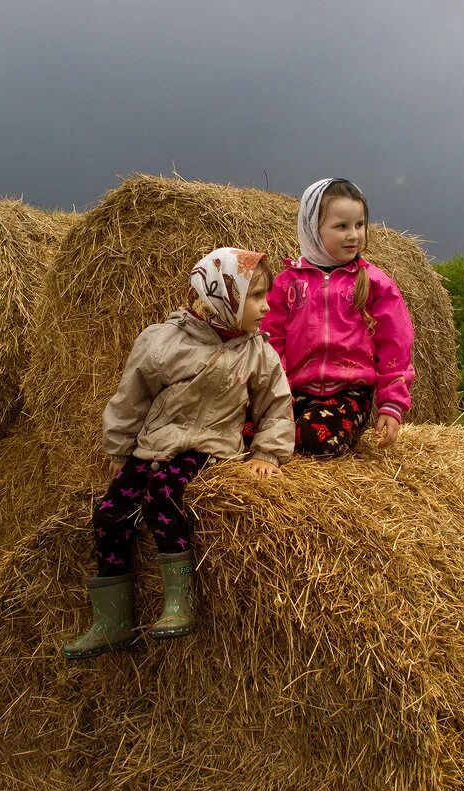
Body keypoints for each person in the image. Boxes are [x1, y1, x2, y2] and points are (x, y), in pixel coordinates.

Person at [62, 248, 294, 660]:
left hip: (209, 447)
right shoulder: (162, 342)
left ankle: (178, 601)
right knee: (109, 515)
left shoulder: (258, 352)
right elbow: (130, 398)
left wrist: (268, 454)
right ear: (225, 296)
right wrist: (119, 449)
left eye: (265, 295)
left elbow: (276, 406)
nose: (266, 305)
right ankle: (112, 621)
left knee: (161, 497)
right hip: (156, 444)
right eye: (256, 296)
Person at [261, 178, 416, 456]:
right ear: (312, 229)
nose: (353, 235)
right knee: (248, 432)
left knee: (312, 439)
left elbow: (395, 345)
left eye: (359, 225)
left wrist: (392, 403)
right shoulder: (287, 284)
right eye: (341, 226)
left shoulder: (374, 283)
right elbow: (271, 339)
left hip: (348, 393)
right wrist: (275, 390)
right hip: (293, 390)